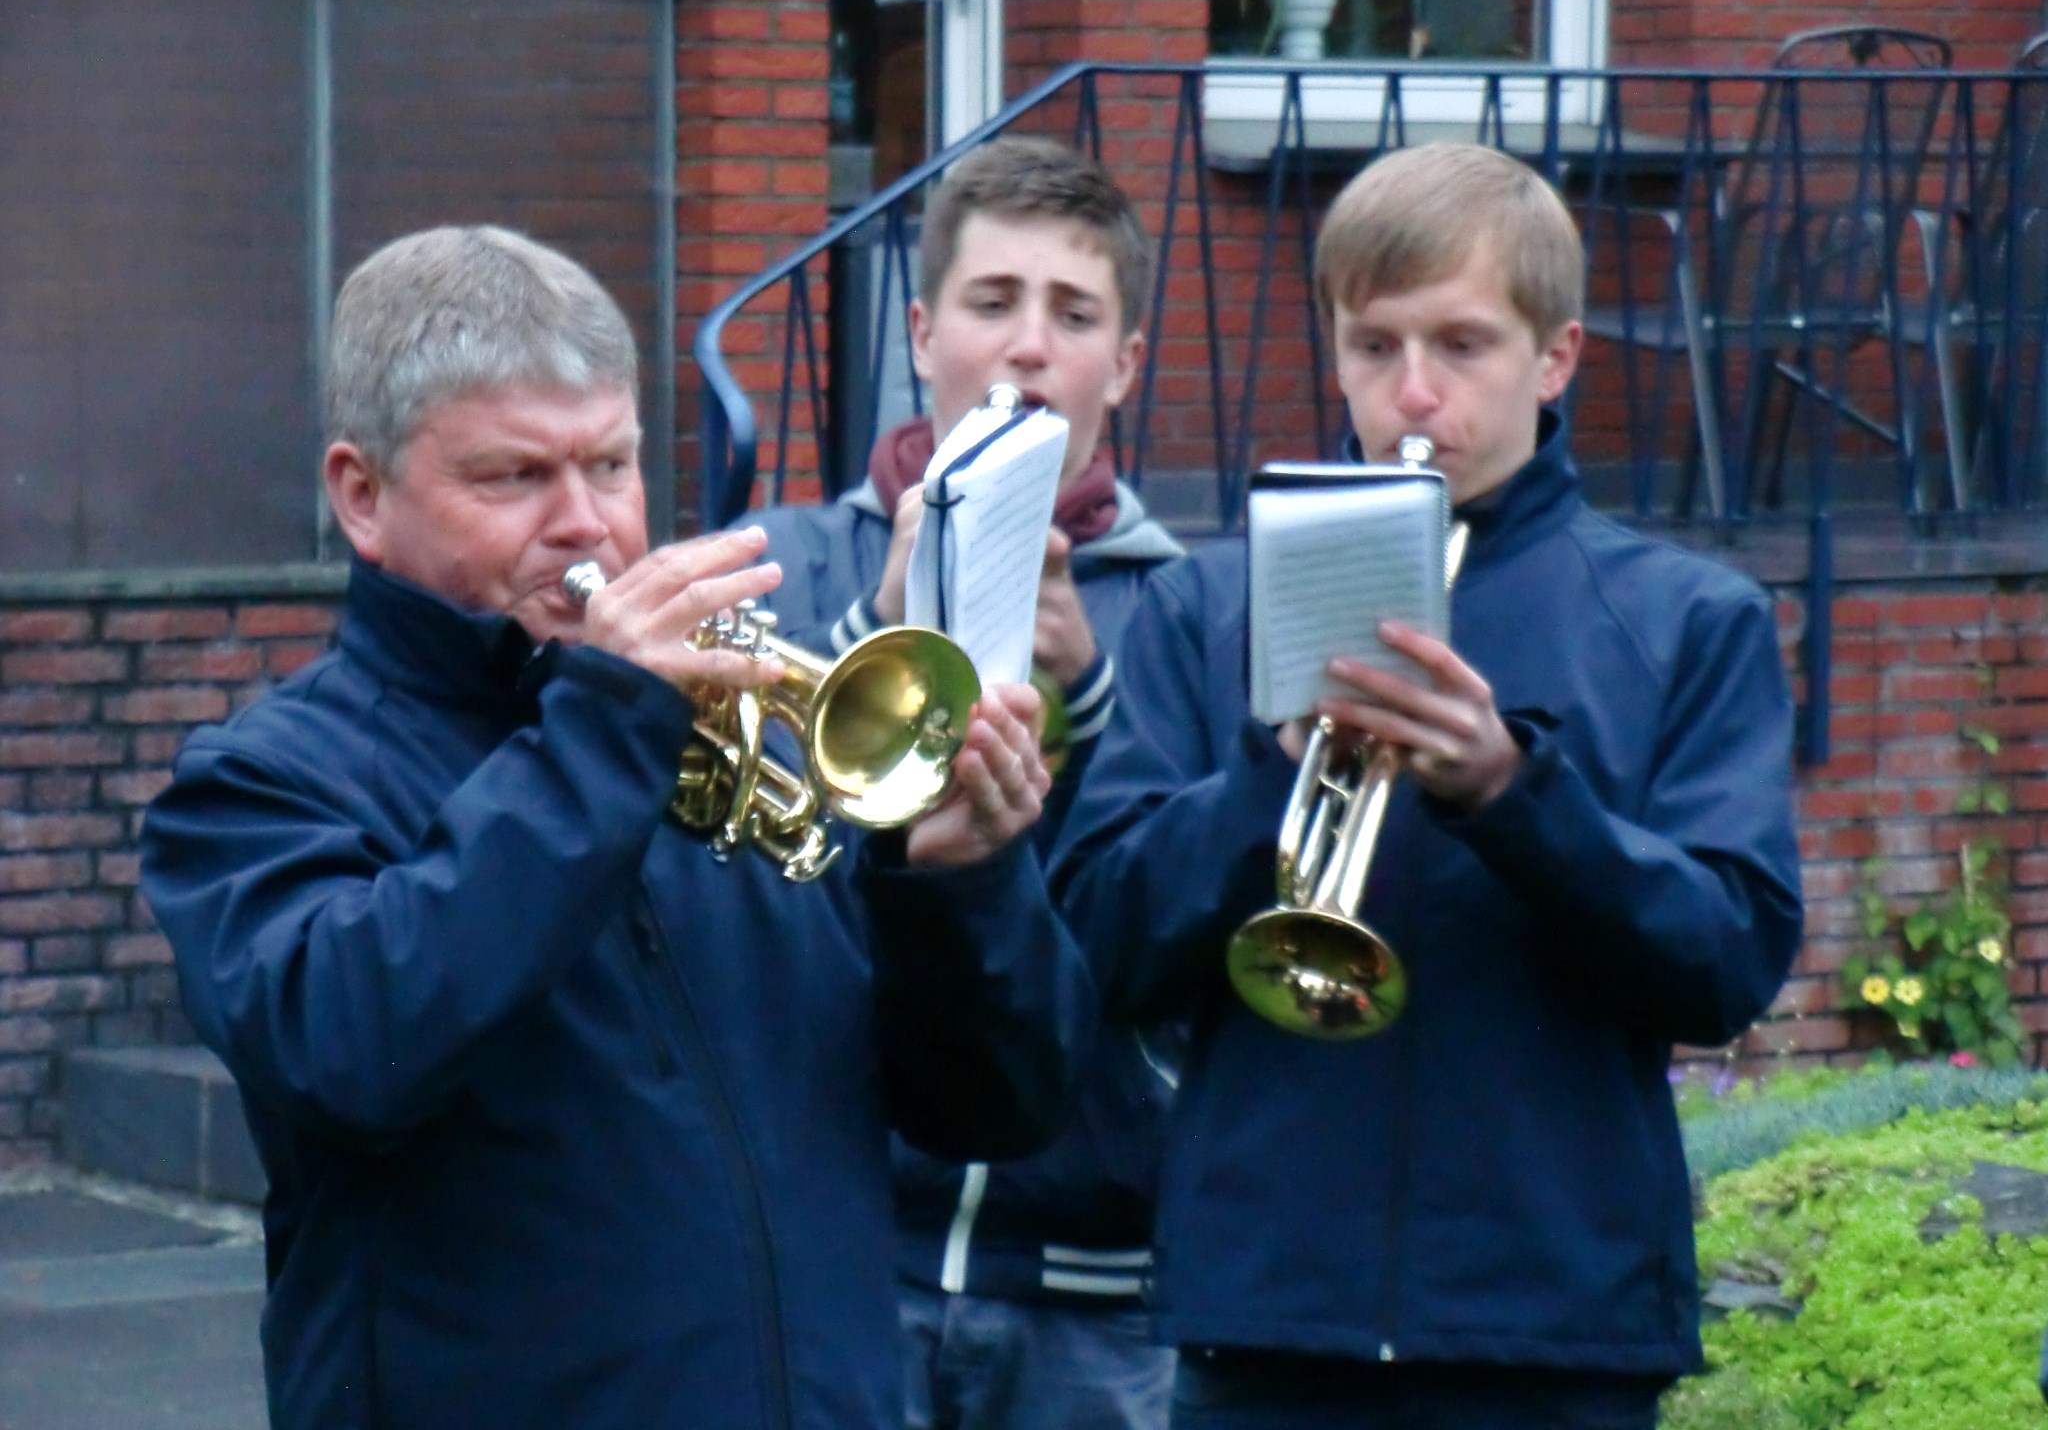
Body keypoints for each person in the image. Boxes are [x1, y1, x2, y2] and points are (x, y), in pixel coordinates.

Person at [138, 225, 1097, 1430]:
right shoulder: (259, 782)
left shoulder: (746, 744)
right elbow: (349, 1050)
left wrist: (954, 887)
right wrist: (603, 731)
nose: (586, 523)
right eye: (514, 477)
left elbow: (999, 1112)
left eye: (611, 465)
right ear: (362, 497)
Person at [1048, 142, 1805, 1429]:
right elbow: (1099, 952)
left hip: (1551, 1331)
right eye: (1373, 346)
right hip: (1267, 1320)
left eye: (1461, 345)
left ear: (1553, 358)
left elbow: (1725, 962)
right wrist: (1266, 771)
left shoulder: (1683, 620)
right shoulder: (1202, 606)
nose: (1411, 394)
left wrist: (1510, 791)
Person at [749, 136, 1184, 1429]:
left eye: (1074, 316)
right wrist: (863, 640)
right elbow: (735, 861)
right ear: (923, 335)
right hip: (836, 1252)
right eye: (992, 303)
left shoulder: (1189, 608)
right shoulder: (779, 565)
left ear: (1125, 365)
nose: (1028, 347)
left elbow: (1167, 922)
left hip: (1097, 1289)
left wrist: (1089, 701)